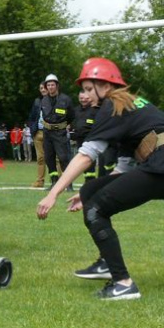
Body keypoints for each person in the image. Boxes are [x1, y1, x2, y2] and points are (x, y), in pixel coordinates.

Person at [37, 57, 164, 300]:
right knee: (90, 192)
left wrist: (53, 193)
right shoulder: (128, 105)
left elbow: (87, 154)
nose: (85, 96)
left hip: (160, 166)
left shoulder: (111, 106)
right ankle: (106, 262)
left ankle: (123, 283)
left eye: (88, 89)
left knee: (96, 209)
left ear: (105, 86)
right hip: (157, 165)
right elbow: (124, 167)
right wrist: (90, 191)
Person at [41, 73, 76, 191]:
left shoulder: (65, 99)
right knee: (49, 158)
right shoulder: (44, 100)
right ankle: (54, 182)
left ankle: (68, 184)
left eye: (52, 85)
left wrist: (66, 126)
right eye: (48, 85)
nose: (50, 87)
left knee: (63, 158)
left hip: (60, 132)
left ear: (57, 86)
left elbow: (72, 116)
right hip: (47, 132)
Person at [72, 89, 98, 183]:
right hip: (79, 139)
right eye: (81, 98)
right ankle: (88, 179)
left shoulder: (95, 110)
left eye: (86, 98)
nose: (83, 100)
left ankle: (91, 180)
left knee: (90, 159)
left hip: (91, 139)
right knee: (83, 160)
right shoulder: (76, 110)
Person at [28, 83, 47, 186]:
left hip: (50, 133)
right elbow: (31, 116)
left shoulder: (55, 101)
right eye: (41, 88)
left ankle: (58, 180)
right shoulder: (37, 101)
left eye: (44, 87)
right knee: (40, 158)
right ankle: (40, 181)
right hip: (38, 132)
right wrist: (32, 130)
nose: (43, 90)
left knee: (56, 158)